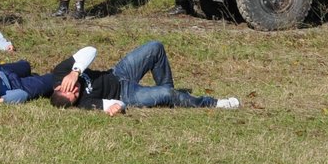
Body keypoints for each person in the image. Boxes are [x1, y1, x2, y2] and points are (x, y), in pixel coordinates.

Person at [47, 41, 239, 113]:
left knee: (155, 47)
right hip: (127, 94)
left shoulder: (60, 72)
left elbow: (91, 50)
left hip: (118, 72)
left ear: (58, 87)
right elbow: (114, 104)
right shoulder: (83, 104)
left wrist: (75, 71)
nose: (76, 90)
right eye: (74, 95)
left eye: (70, 89)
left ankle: (170, 95)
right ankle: (212, 103)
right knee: (165, 93)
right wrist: (117, 107)